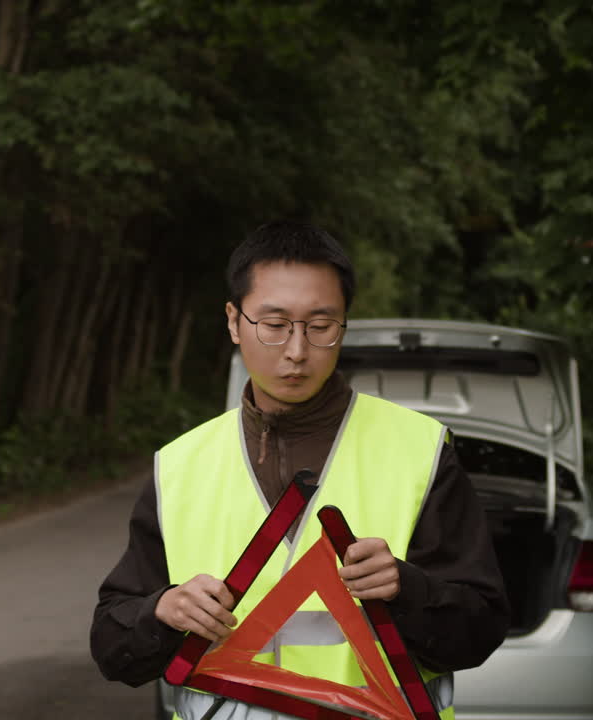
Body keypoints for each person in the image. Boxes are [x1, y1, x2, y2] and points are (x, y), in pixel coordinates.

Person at [90, 221, 508, 719]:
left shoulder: (421, 450)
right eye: (274, 324)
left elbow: (480, 628)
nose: (296, 350)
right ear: (233, 320)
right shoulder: (179, 465)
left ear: (344, 323)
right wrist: (162, 611)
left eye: (320, 325)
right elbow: (112, 644)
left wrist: (407, 589)